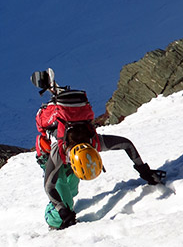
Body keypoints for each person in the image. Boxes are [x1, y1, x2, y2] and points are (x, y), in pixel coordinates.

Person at [32, 68, 165, 230]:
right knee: (64, 203)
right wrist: (62, 210)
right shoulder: (57, 153)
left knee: (72, 190)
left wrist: (145, 171)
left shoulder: (93, 141)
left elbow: (126, 144)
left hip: (71, 156)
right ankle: (53, 219)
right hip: (48, 156)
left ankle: (65, 201)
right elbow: (49, 186)